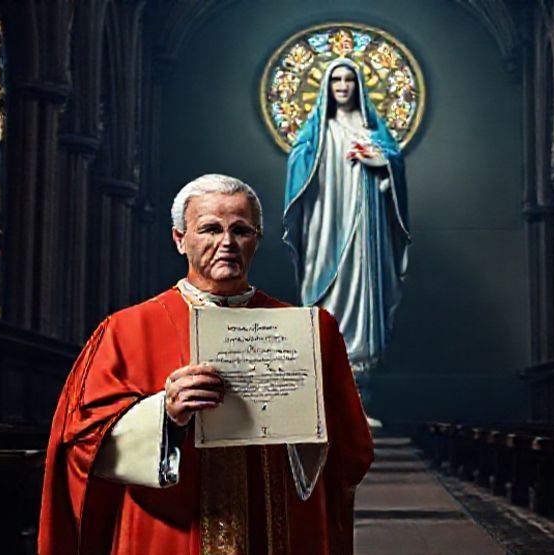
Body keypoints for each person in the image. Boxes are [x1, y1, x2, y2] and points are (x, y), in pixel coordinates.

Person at [39, 174, 373, 554]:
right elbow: (80, 442)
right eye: (210, 229)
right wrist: (163, 415)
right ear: (179, 239)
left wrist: (305, 418)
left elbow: (352, 450)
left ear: (257, 239)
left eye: (241, 230)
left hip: (283, 529)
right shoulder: (125, 331)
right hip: (171, 529)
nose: (226, 243)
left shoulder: (311, 332)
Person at [282, 58, 410, 374]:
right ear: (326, 86)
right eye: (336, 80)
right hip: (325, 223)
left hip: (366, 224)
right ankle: (326, 357)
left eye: (348, 80)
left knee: (363, 284)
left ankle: (361, 373)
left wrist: (380, 162)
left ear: (359, 86)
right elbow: (299, 168)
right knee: (323, 288)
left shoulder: (373, 131)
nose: (342, 85)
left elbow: (394, 168)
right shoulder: (317, 132)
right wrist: (312, 159)